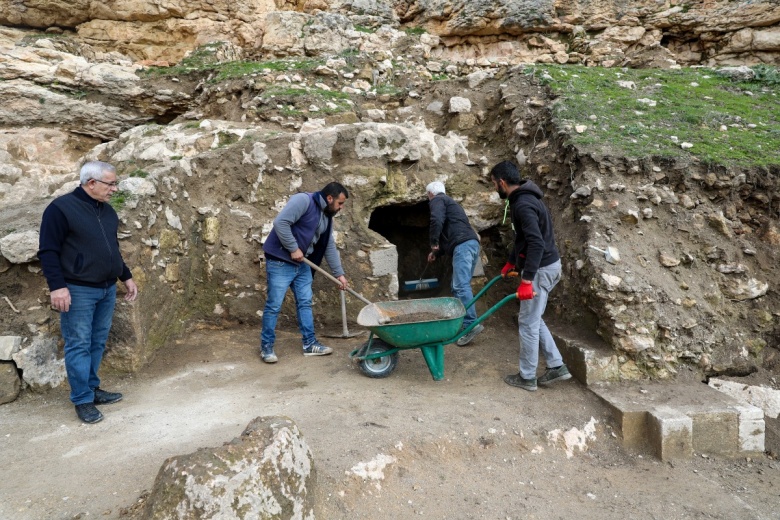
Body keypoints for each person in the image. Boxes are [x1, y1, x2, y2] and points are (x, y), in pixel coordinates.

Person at [38, 161, 138, 424]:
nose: (115, 189)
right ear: (91, 183)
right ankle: (82, 399)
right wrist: (57, 287)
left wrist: (125, 276)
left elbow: (112, 248)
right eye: (111, 183)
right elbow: (48, 251)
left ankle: (92, 389)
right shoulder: (60, 209)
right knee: (79, 344)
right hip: (78, 289)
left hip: (106, 288)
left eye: (115, 183)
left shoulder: (107, 211)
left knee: (96, 342)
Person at [489, 160, 571, 392]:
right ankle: (556, 365)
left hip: (541, 269)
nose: (495, 189)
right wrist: (511, 262)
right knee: (534, 318)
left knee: (527, 322)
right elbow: (522, 239)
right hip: (548, 266)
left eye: (495, 184)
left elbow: (535, 242)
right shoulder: (526, 199)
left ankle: (527, 377)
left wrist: (527, 280)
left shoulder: (523, 205)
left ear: (502, 182)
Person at [260, 182, 350, 363]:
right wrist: (293, 248)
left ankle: (310, 344)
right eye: (340, 203)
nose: (341, 208)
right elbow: (280, 222)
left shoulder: (326, 216)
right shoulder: (304, 201)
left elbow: (328, 246)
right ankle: (266, 347)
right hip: (280, 261)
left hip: (302, 264)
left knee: (305, 303)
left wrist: (338, 274)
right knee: (274, 305)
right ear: (330, 198)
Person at [425, 181, 484, 347]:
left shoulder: (438, 200)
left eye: (428, 197)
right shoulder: (453, 206)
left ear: (430, 194)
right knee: (457, 286)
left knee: (460, 286)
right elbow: (451, 236)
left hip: (463, 247)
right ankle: (462, 324)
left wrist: (433, 242)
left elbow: (436, 220)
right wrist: (436, 253)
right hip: (470, 244)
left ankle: (471, 324)